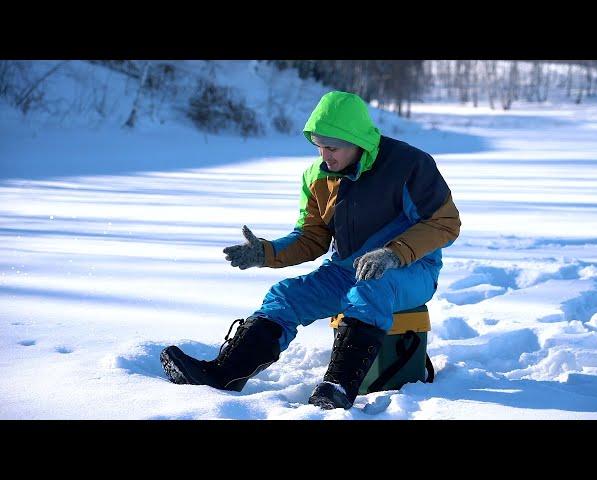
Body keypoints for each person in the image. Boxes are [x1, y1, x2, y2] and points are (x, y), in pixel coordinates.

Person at [160, 91, 461, 410]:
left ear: (357, 140)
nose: (324, 156)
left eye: (332, 148)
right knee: (285, 296)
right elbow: (311, 238)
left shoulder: (409, 165)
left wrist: (392, 254)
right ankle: (223, 375)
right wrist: (266, 252)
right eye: (319, 146)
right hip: (346, 271)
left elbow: (445, 223)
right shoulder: (318, 178)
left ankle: (338, 386)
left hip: (411, 269)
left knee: (371, 289)